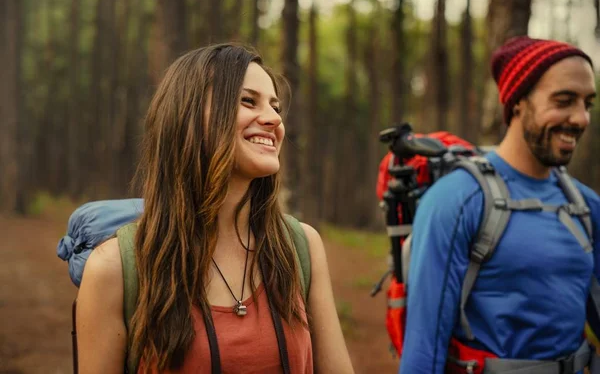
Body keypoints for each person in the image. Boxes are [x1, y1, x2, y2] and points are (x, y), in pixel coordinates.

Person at [75, 43, 355, 374]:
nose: (274, 119)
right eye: (248, 101)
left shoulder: (299, 246)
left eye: (276, 107)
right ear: (189, 116)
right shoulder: (116, 268)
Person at [399, 36, 600, 373]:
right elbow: (424, 347)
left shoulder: (585, 204)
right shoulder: (457, 200)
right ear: (518, 102)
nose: (580, 119)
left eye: (587, 103)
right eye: (564, 101)